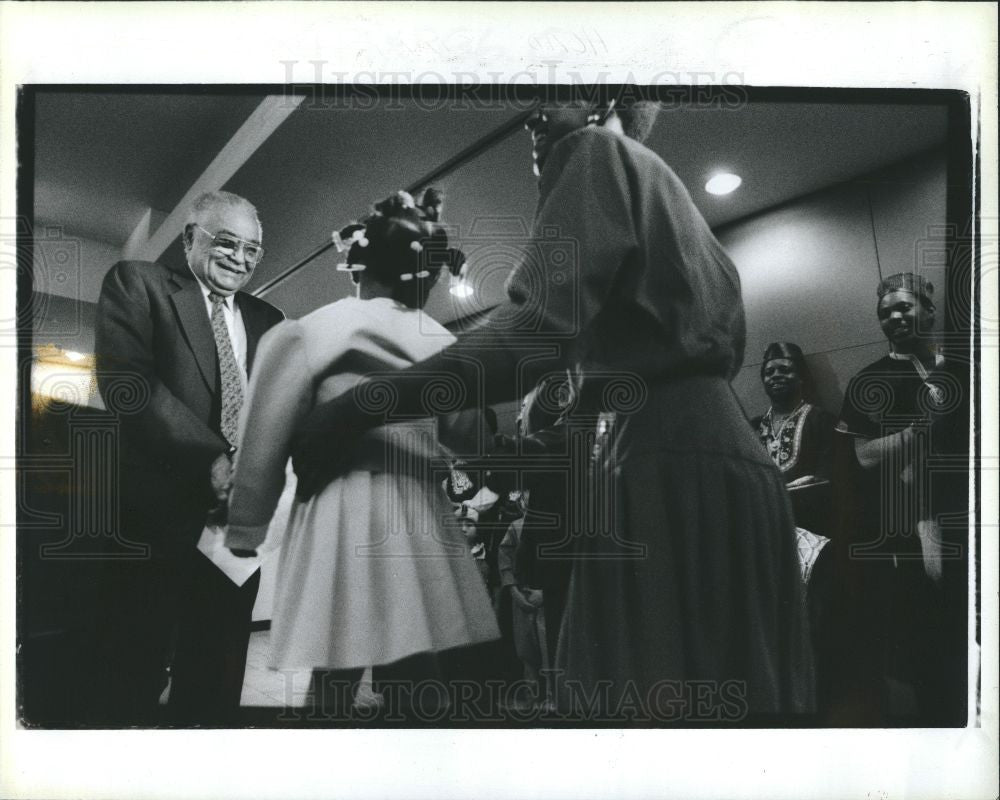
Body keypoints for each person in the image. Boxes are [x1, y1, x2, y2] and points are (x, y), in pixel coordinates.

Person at [291, 91, 815, 722]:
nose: (532, 119)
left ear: (603, 99)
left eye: (551, 98)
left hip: (665, 472)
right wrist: (482, 450)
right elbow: (577, 438)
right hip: (727, 467)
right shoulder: (674, 207)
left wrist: (358, 406)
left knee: (648, 713)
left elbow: (531, 334)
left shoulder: (592, 151)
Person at [224, 191, 499, 719]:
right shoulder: (441, 341)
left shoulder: (311, 331)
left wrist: (246, 528)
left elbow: (265, 437)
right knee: (416, 657)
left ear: (358, 265)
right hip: (420, 513)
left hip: (341, 506)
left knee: (336, 659)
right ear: (427, 277)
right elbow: (470, 437)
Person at [92, 190, 284, 725]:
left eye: (253, 250)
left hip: (237, 531)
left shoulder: (269, 317)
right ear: (190, 237)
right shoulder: (138, 283)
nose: (240, 259)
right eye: (227, 243)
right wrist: (212, 458)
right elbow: (130, 384)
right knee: (130, 673)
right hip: (157, 521)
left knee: (216, 678)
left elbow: (278, 405)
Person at [836, 272, 968, 725]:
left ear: (928, 311)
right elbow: (864, 456)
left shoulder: (963, 372)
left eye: (904, 307)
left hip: (970, 519)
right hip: (910, 527)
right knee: (925, 646)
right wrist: (916, 432)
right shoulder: (868, 380)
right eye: (884, 313)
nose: (893, 317)